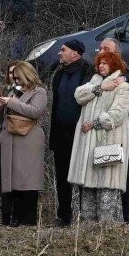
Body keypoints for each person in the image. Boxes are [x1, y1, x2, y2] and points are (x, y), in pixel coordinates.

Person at [71, 48, 129, 225]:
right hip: (89, 147)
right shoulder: (94, 84)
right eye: (99, 63)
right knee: (89, 191)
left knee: (107, 191)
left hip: (110, 143)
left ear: (114, 64)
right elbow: (78, 96)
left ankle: (109, 233)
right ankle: (87, 233)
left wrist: (94, 123)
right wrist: (100, 88)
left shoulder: (124, 87)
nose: (101, 66)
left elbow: (117, 115)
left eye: (105, 63)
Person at [0, 60, 48, 226]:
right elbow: (2, 117)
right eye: (14, 78)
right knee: (13, 181)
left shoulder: (39, 92)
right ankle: (13, 218)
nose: (15, 81)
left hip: (29, 139)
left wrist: (11, 102)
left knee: (27, 180)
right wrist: (0, 106)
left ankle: (28, 220)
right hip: (10, 138)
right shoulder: (11, 91)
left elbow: (35, 111)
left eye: (18, 77)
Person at [44, 38, 90, 226]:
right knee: (62, 177)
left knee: (82, 177)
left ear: (75, 53)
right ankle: (64, 216)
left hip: (81, 133)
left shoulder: (88, 71)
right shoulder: (59, 74)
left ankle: (84, 216)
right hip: (61, 133)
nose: (59, 53)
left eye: (63, 50)